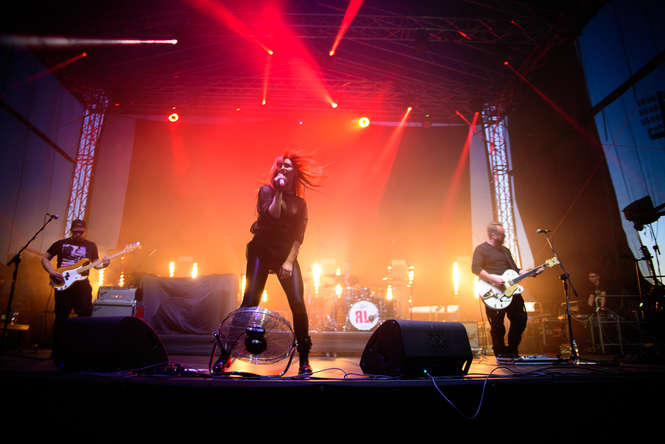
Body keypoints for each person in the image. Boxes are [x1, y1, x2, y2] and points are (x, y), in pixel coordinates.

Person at [215, 152, 323, 375]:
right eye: (280, 165)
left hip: (285, 254)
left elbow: (298, 237)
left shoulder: (300, 204)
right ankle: (225, 356)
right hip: (261, 251)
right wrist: (279, 192)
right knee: (249, 301)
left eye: (287, 166)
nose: (282, 168)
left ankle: (304, 360)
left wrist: (289, 262)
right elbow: (273, 215)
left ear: (295, 173)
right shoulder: (267, 192)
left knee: (298, 303)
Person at [472, 221, 542, 363]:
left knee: (520, 318)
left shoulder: (505, 250)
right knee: (497, 324)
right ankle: (500, 353)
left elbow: (516, 271)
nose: (504, 236)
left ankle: (512, 349)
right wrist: (494, 280)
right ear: (493, 235)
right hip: (493, 291)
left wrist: (531, 273)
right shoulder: (481, 249)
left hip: (511, 290)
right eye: (502, 234)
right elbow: (476, 269)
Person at [41, 219, 109, 364]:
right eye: (75, 232)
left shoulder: (91, 245)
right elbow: (45, 258)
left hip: (82, 284)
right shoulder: (60, 244)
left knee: (85, 315)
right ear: (71, 230)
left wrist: (105, 265)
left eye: (81, 232)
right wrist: (52, 272)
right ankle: (57, 352)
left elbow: (96, 265)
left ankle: (81, 350)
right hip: (63, 283)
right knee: (61, 317)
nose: (78, 234)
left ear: (85, 231)